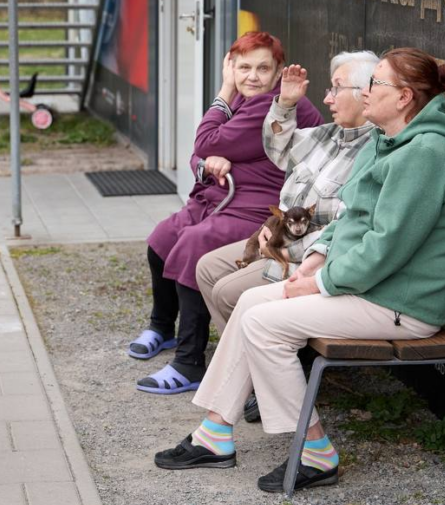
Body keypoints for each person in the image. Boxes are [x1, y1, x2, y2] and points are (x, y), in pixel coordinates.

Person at [153, 48, 445, 494]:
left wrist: (318, 284)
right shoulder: (390, 140)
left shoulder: (427, 154)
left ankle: (316, 452)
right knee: (249, 302)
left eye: (375, 83)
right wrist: (315, 259)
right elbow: (349, 218)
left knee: (264, 324)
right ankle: (214, 434)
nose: (366, 91)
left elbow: (386, 249)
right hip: (368, 289)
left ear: (404, 97)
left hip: (400, 303)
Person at [129, 32, 321, 394]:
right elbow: (200, 153)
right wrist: (205, 164)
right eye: (243, 67)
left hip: (259, 210)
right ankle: (162, 328)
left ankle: (189, 363)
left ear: (279, 70)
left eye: (263, 68)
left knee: (192, 244)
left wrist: (225, 89)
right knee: (161, 240)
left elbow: (204, 141)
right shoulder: (252, 100)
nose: (253, 76)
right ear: (232, 66)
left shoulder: (271, 105)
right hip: (222, 198)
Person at [194, 50, 378, 420]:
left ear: (365, 94)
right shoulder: (332, 134)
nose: (327, 98)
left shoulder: (373, 149)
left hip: (307, 255)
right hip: (281, 238)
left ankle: (264, 381)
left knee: (228, 292)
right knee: (207, 268)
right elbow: (279, 149)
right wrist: (285, 104)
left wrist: (283, 246)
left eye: (336, 89)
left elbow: (346, 227)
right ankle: (257, 377)